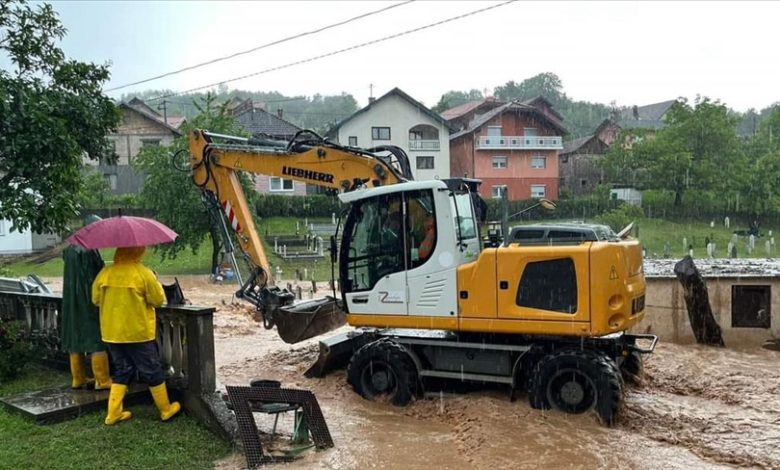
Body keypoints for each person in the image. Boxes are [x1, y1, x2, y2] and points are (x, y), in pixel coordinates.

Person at [92, 246, 181, 426]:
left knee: (122, 370)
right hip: (138, 333)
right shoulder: (143, 273)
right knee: (151, 369)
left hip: (112, 333)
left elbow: (95, 299)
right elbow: (157, 300)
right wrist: (154, 280)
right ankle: (165, 409)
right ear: (139, 251)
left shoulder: (105, 272)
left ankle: (113, 413)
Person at [62, 245, 112, 390]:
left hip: (71, 300)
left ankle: (78, 378)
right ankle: (102, 380)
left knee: (74, 338)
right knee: (96, 339)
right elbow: (96, 275)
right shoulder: (89, 250)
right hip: (87, 300)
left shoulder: (69, 250)